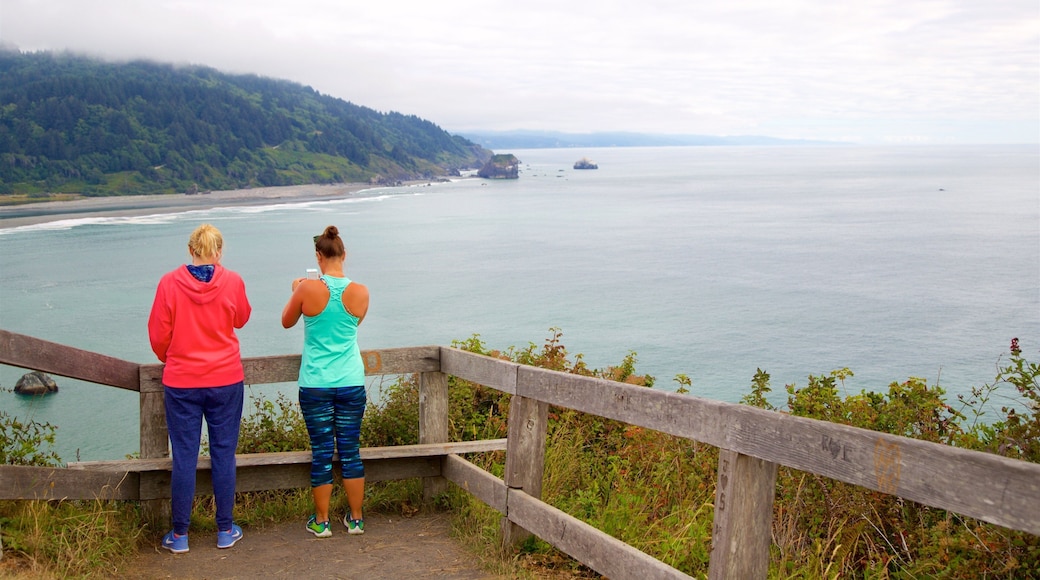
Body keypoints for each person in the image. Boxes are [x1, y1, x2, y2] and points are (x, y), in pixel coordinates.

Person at [148, 223, 252, 553]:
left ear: (190, 250)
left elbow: (158, 335)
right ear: (219, 252)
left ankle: (180, 536)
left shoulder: (168, 283)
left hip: (182, 382)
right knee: (223, 453)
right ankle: (225, 529)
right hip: (225, 379)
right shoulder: (232, 281)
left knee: (184, 457)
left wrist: (175, 358)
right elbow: (242, 318)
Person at [282, 225, 370, 538]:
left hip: (316, 384)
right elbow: (353, 323)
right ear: (344, 255)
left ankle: (322, 522)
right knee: (350, 450)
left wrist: (297, 289)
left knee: (321, 451)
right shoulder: (361, 292)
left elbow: (286, 321)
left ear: (318, 257)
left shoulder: (306, 289)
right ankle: (356, 519)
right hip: (350, 381)